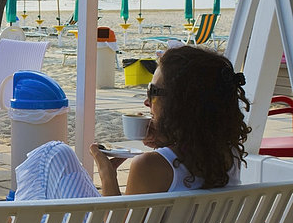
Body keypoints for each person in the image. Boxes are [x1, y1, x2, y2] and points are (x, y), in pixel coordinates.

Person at [16, 45, 252, 200]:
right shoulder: (227, 156)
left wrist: (107, 174)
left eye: (153, 91)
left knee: (53, 155)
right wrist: (168, 143)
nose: (146, 102)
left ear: (182, 104)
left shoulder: (150, 166)